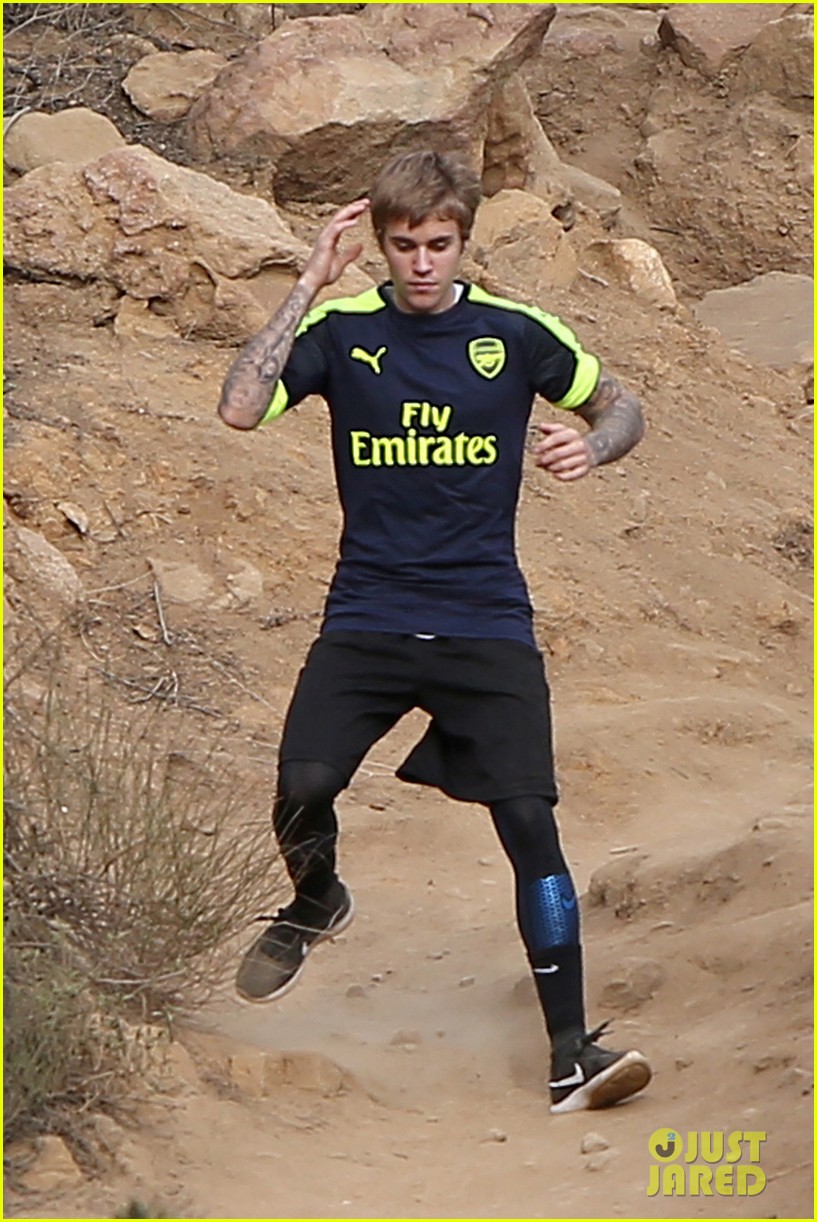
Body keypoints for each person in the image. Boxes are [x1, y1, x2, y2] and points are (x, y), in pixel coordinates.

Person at [218, 150, 651, 1115]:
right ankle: (316, 902)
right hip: (368, 613)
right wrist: (306, 283)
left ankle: (570, 1052)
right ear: (380, 243)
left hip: (483, 618)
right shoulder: (342, 329)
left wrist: (594, 442)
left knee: (530, 825)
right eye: (404, 245)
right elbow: (241, 407)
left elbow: (621, 405)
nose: (421, 263)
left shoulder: (513, 334)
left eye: (439, 244)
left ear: (464, 241)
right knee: (301, 789)